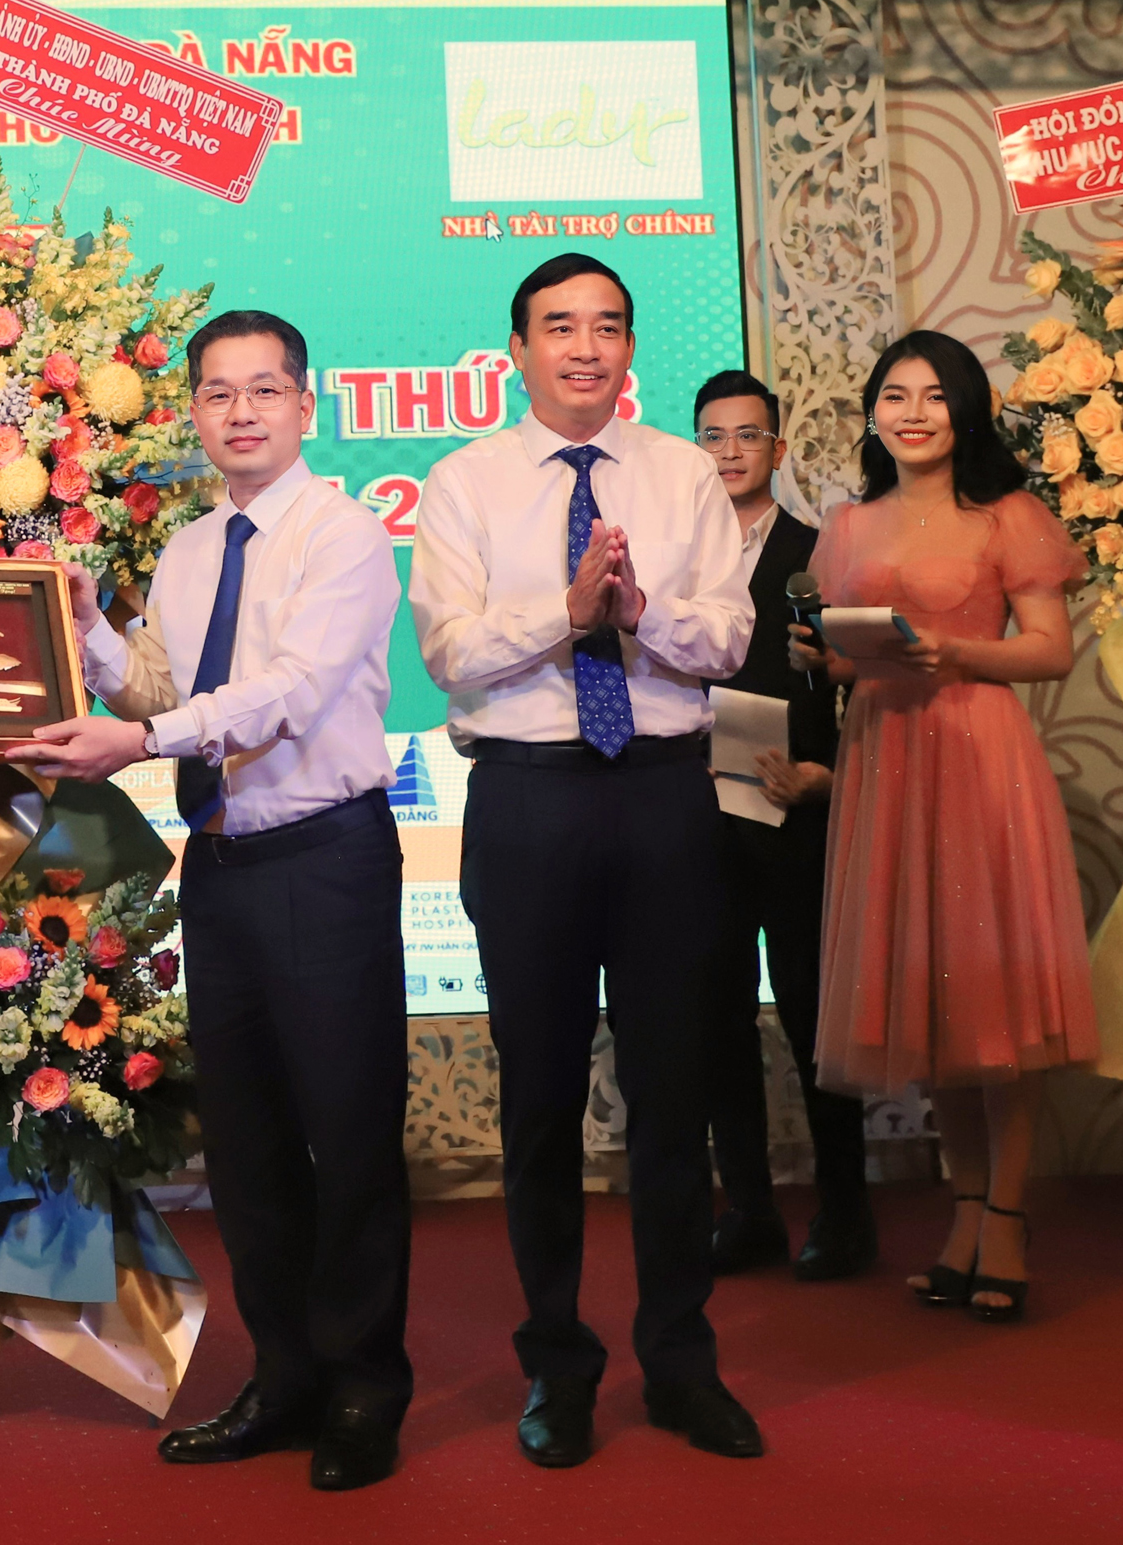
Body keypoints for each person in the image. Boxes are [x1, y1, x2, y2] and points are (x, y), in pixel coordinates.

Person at [7, 310, 411, 1492]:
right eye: (217, 394)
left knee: (347, 1138)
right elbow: (166, 687)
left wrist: (137, 732)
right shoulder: (187, 553)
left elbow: (284, 691)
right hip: (223, 869)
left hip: (325, 861)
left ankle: (364, 1390)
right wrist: (83, 625)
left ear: (304, 406)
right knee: (246, 1151)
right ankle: (283, 1376)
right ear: (193, 412)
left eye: (263, 392)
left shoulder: (346, 537)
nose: (239, 412)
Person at [409, 254, 760, 1470]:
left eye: (608, 326)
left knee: (674, 1094)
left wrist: (637, 611)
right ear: (515, 346)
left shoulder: (679, 475)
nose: (586, 348)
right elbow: (450, 655)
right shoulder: (461, 484)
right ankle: (555, 1367)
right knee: (540, 1099)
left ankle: (680, 1363)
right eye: (560, 326)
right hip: (531, 804)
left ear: (627, 349)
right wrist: (561, 615)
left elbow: (725, 636)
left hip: (665, 803)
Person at [789, 330, 1101, 1323]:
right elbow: (852, 658)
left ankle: (1005, 1217)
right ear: (873, 412)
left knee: (994, 1005)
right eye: (893, 394)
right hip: (886, 756)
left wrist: (951, 653)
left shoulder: (1006, 513)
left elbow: (1048, 652)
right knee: (933, 1000)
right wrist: (825, 658)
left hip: (976, 757)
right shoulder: (845, 526)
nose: (911, 411)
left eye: (932, 394)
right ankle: (965, 1215)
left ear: (964, 411)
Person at [691, 370, 874, 1281]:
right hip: (697, 822)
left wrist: (828, 779)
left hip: (799, 813)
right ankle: (750, 1209)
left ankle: (847, 1210)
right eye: (714, 436)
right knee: (716, 1021)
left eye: (747, 435)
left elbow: (869, 687)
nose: (730, 451)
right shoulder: (672, 564)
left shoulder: (821, 556)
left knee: (812, 1016)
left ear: (779, 448)